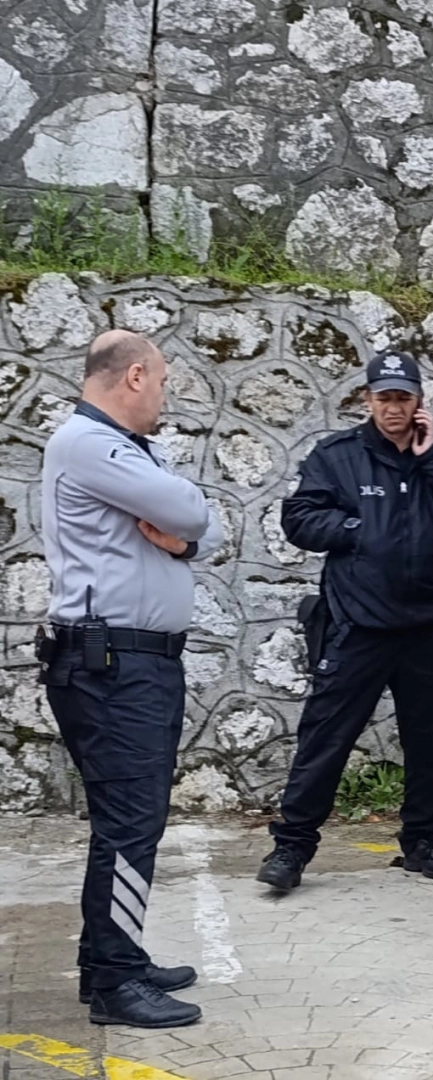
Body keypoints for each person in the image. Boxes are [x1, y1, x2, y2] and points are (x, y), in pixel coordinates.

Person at [41, 329, 223, 1028]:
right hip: (112, 663)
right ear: (137, 376)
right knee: (130, 824)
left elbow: (200, 530)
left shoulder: (126, 450)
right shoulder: (89, 443)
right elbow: (191, 511)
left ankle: (109, 962)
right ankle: (116, 983)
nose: (166, 396)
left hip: (131, 662)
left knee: (129, 820)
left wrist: (185, 536)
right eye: (165, 381)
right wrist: (184, 526)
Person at [257, 350, 433, 895]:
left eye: (403, 398)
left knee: (429, 741)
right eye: (385, 398)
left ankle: (424, 841)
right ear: (368, 400)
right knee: (326, 738)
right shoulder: (337, 456)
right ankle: (292, 846)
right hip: (358, 622)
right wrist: (356, 529)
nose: (393, 408)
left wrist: (430, 456)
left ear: (419, 401)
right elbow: (299, 518)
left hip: (424, 623)